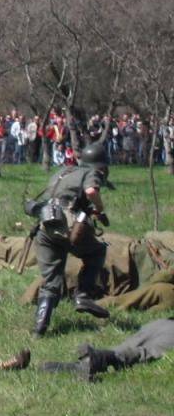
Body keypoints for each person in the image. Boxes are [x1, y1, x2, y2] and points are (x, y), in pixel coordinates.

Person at [28, 140, 111, 336]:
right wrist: (100, 208)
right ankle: (82, 295)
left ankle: (39, 329)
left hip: (45, 226)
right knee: (97, 252)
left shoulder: (64, 171)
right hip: (68, 227)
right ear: (100, 165)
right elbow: (91, 191)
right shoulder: (91, 172)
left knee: (51, 281)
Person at [40, 317, 174, 381]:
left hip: (160, 323)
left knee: (123, 348)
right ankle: (96, 359)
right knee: (144, 352)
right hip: (168, 330)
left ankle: (81, 364)